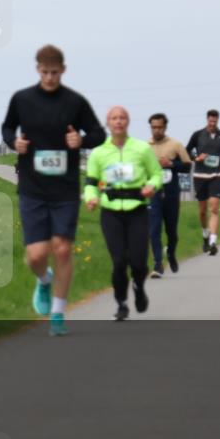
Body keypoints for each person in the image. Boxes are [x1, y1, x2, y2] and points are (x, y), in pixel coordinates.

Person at [2, 45, 104, 336]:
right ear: (37, 70)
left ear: (63, 70)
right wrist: (14, 143)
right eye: (45, 72)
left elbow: (98, 133)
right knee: (35, 255)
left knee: (62, 249)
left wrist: (80, 140)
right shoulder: (21, 99)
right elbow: (7, 129)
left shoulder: (75, 102)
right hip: (33, 187)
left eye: (54, 73)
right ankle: (44, 281)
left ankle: (58, 314)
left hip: (64, 189)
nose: (49, 78)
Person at [84, 106, 162, 321]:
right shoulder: (99, 153)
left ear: (128, 122)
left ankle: (138, 286)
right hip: (111, 213)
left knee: (138, 262)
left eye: (122, 118)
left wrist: (151, 186)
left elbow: (156, 174)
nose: (118, 121)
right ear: (107, 123)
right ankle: (121, 303)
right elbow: (90, 182)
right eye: (114, 118)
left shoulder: (141, 149)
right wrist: (90, 197)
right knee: (119, 261)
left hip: (137, 210)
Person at [147, 113, 191, 278]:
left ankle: (171, 253)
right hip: (154, 193)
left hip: (172, 193)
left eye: (159, 127)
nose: (156, 130)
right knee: (154, 230)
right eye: (153, 127)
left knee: (171, 231)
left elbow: (187, 166)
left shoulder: (175, 145)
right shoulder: (145, 146)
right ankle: (158, 264)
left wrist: (171, 164)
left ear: (165, 127)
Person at [186, 109, 220, 255]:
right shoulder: (198, 134)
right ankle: (205, 235)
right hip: (200, 175)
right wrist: (196, 158)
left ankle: (213, 242)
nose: (212, 124)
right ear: (207, 120)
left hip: (217, 175)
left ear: (218, 120)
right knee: (202, 211)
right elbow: (186, 150)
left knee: (214, 208)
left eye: (215, 121)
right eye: (210, 121)